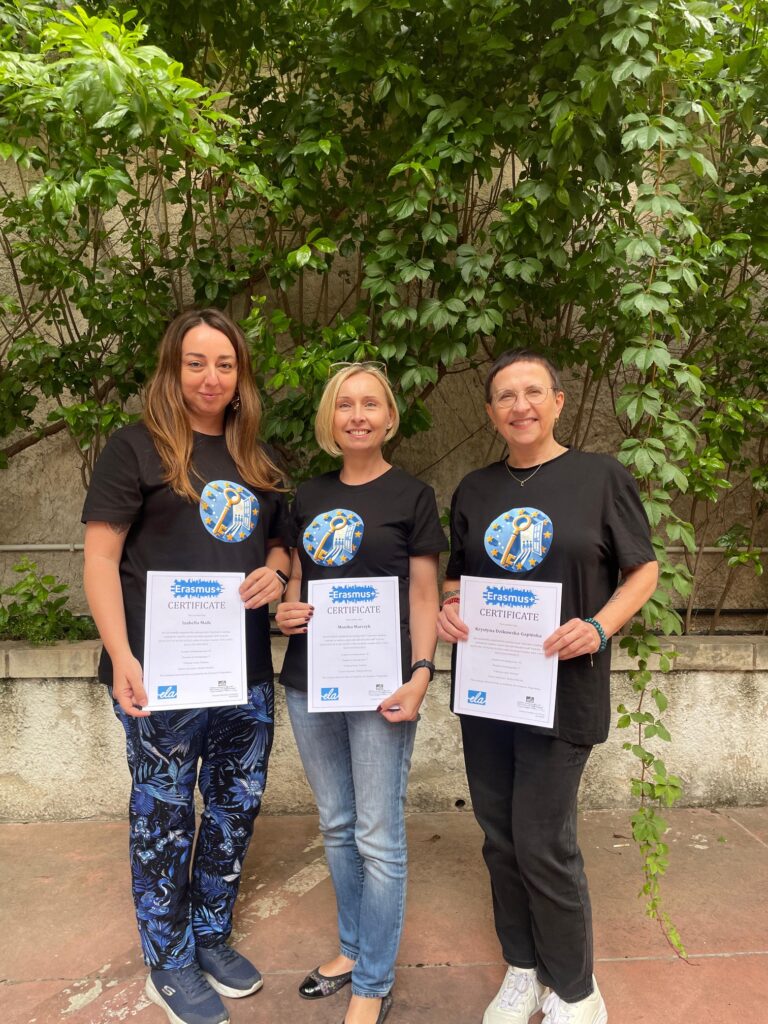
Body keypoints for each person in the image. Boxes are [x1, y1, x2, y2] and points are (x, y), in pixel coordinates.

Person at [437, 350, 658, 1024]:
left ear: (558, 402)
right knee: (499, 837)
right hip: (488, 691)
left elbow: (642, 571)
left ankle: (575, 989)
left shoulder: (600, 477)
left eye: (533, 392)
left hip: (563, 690)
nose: (520, 405)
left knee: (542, 840)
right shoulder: (475, 489)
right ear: (491, 413)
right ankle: (523, 969)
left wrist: (598, 626)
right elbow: (457, 575)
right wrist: (450, 606)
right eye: (506, 396)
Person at [82, 308, 290, 1024]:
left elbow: (281, 543)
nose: (210, 377)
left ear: (240, 376)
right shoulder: (134, 449)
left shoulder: (257, 457)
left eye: (224, 364)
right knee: (164, 817)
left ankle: (209, 933)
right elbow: (101, 560)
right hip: (160, 673)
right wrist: (121, 656)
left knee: (234, 809)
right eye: (195, 363)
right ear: (172, 370)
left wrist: (276, 571)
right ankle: (168, 960)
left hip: (244, 673)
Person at [275, 363, 447, 1024]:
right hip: (311, 683)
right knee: (338, 825)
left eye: (370, 404)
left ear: (389, 417)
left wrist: (422, 672)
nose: (357, 415)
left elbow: (425, 595)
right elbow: (298, 580)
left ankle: (373, 981)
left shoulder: (413, 496)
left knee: (378, 835)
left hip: (384, 689)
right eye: (344, 404)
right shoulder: (308, 496)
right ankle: (351, 949)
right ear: (330, 418)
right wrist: (287, 610)